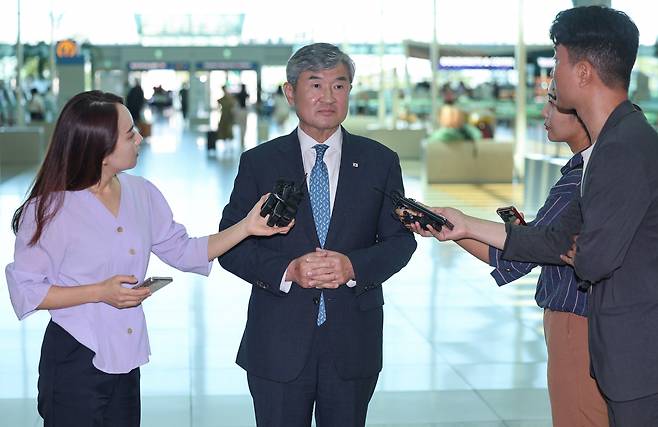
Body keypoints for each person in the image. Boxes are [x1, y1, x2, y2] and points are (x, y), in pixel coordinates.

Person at [408, 6, 658, 426]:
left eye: (557, 61)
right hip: (619, 351)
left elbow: (594, 259)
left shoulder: (622, 148)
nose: (552, 76)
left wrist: (583, 247)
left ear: (583, 72)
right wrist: (464, 225)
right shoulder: (607, 145)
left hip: (632, 354)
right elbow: (556, 239)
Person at [5, 90, 293, 427]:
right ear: (100, 148)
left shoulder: (141, 193)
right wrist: (99, 292)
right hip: (74, 356)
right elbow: (28, 290)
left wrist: (246, 227)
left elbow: (185, 251)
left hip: (127, 354)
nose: (140, 136)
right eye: (129, 133)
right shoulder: (50, 210)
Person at [217, 43, 417, 426]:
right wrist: (287, 271)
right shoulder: (260, 162)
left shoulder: (379, 161)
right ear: (290, 92)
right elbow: (231, 245)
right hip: (277, 341)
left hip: (353, 340)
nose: (328, 97)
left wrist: (353, 265)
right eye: (315, 85)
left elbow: (400, 241)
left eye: (339, 86)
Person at [440, 79, 607, 426]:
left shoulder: (584, 180)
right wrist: (454, 229)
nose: (543, 112)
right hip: (581, 321)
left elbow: (535, 248)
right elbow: (522, 252)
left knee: (578, 416)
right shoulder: (584, 171)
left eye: (553, 102)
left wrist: (463, 225)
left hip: (575, 322)